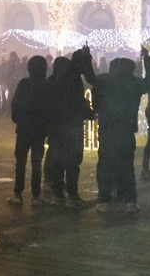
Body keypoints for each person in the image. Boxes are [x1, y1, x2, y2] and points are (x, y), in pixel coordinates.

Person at [83, 47, 150, 213]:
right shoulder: (134, 83)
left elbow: (89, 77)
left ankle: (104, 199)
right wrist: (147, 59)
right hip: (126, 131)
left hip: (107, 129)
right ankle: (130, 200)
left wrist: (86, 57)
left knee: (105, 165)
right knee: (127, 166)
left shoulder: (105, 81)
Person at [45, 49, 92, 206]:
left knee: (58, 160)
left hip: (57, 126)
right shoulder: (72, 78)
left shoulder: (54, 79)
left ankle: (58, 193)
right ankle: (72, 194)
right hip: (71, 125)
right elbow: (75, 101)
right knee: (72, 161)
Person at [7, 55, 52, 206]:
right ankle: (36, 195)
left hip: (24, 128)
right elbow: (49, 108)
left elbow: (15, 104)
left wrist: (18, 119)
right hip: (39, 129)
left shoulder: (24, 84)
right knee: (36, 162)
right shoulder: (46, 86)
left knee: (21, 161)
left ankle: (17, 192)